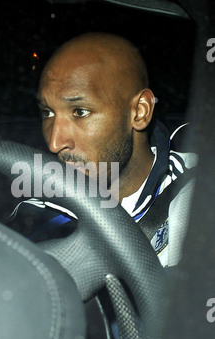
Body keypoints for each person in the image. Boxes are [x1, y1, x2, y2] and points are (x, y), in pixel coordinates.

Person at [32, 31, 197, 267]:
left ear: (140, 111)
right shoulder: (36, 208)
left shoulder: (198, 193)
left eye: (80, 111)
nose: (55, 143)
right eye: (48, 112)